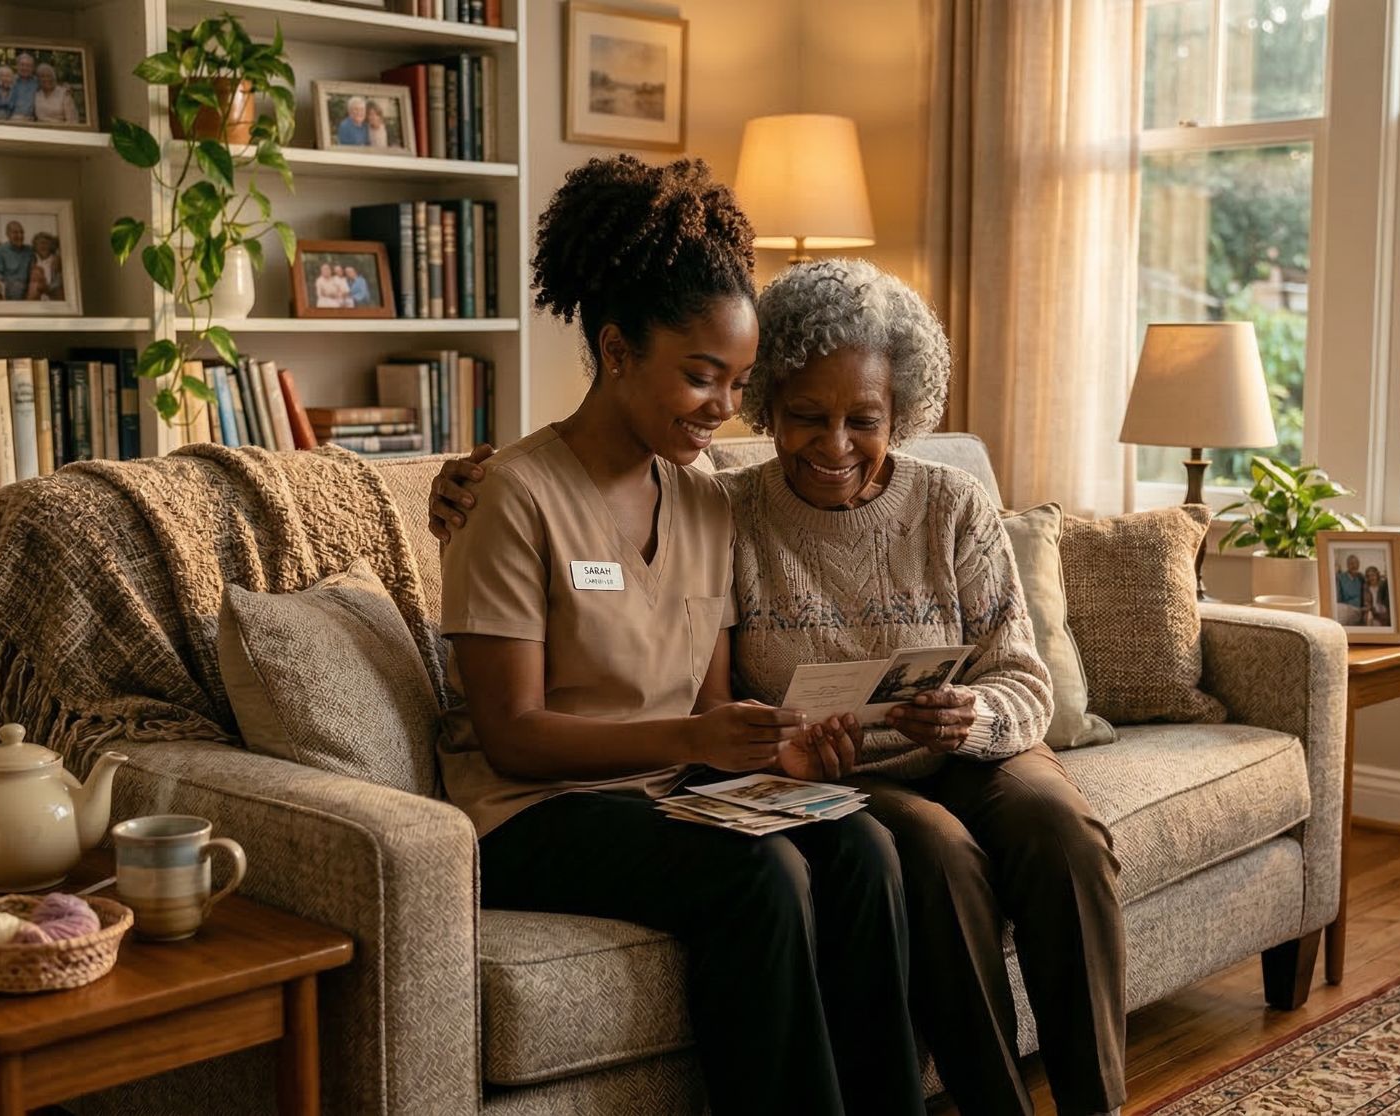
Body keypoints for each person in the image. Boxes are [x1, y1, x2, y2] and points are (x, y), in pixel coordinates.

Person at [431, 258, 1127, 1116]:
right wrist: (752, 749)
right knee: (867, 857)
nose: (834, 444)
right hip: (595, 797)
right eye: (802, 415)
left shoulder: (716, 502)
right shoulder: (710, 502)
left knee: (1017, 835)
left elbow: (715, 705)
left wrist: (962, 716)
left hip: (902, 757)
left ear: (899, 413)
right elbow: (607, 723)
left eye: (862, 420)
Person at [435, 156, 924, 1116]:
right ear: (617, 351)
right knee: (760, 875)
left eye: (738, 383)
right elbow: (512, 737)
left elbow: (709, 706)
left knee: (863, 846)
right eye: (702, 378)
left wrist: (775, 753)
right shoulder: (510, 496)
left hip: (668, 791)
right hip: (534, 812)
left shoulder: (704, 503)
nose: (724, 411)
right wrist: (698, 741)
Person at [0, 221, 34, 301]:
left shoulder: (29, 250)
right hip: (11, 287)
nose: (20, 236)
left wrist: (57, 257)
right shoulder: (1, 251)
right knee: (16, 287)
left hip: (28, 286)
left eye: (22, 232)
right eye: (15, 233)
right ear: (8, 234)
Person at [29, 232, 62, 301]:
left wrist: (47, 289)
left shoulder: (56, 261)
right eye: (40, 243)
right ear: (35, 246)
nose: (42, 246)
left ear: (51, 246)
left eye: (46, 243)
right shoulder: (33, 260)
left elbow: (58, 282)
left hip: (53, 297)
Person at [8, 53, 40, 120]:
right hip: (11, 119)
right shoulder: (9, 80)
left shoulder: (37, 82)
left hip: (31, 120)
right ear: (17, 66)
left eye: (28, 65)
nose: (25, 68)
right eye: (22, 65)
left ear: (32, 68)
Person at [1335, 554, 1365, 625]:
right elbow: (1338, 597)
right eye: (1351, 563)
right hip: (1344, 607)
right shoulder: (1340, 578)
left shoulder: (1361, 578)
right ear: (1347, 565)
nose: (1354, 566)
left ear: (1358, 565)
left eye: (1356, 563)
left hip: (1358, 609)